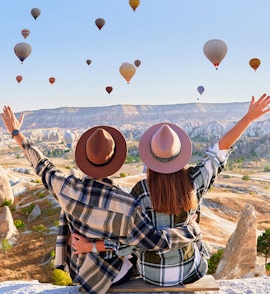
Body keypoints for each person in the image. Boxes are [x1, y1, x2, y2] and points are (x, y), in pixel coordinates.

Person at [72, 94, 270, 287]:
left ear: (149, 158)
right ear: (180, 155)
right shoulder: (193, 181)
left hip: (152, 275)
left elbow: (129, 243)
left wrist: (90, 247)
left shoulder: (140, 192)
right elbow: (220, 150)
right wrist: (249, 118)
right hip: (190, 271)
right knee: (195, 221)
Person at [1, 106, 202, 294]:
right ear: (115, 161)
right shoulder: (126, 205)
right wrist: (191, 229)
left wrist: (17, 133)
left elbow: (42, 166)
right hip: (112, 277)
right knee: (132, 247)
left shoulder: (66, 188)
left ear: (85, 158)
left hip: (79, 270)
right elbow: (154, 241)